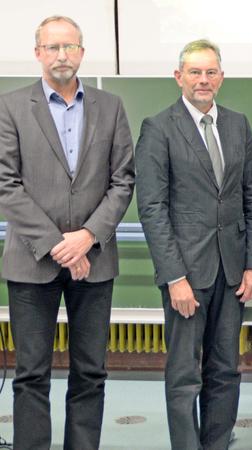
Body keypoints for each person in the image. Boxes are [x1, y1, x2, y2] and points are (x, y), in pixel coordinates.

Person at [0, 15, 135, 450]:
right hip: (32, 261)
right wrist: (60, 244)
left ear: (82, 51)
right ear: (38, 52)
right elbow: (6, 183)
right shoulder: (10, 106)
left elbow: (123, 180)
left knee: (91, 372)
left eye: (70, 47)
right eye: (53, 47)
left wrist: (88, 236)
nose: (63, 55)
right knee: (32, 373)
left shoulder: (110, 106)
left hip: (94, 262)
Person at [135, 39, 252, 449]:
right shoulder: (158, 128)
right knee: (184, 375)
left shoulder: (238, 124)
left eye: (211, 72)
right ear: (179, 78)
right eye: (195, 72)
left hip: (232, 272)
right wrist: (174, 276)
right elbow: (152, 208)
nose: (203, 80)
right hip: (186, 276)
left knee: (226, 370)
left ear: (221, 78)